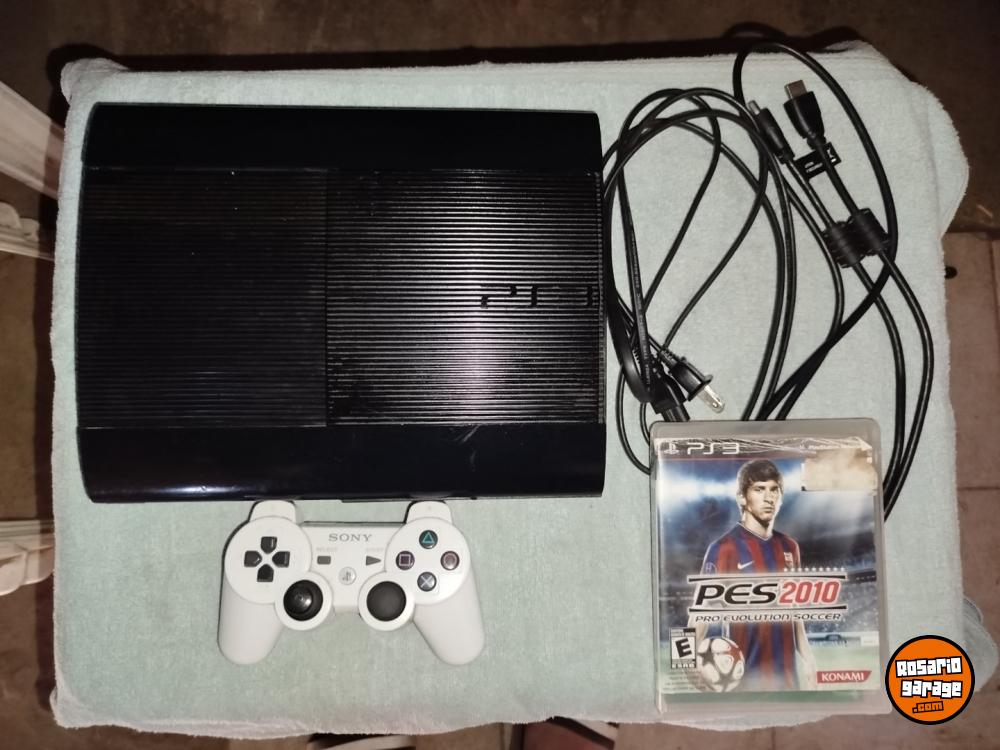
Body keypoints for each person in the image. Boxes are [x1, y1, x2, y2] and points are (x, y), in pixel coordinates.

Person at [698, 459, 817, 690]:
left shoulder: (790, 547)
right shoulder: (722, 549)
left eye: (774, 490)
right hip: (742, 683)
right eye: (759, 489)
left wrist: (809, 660)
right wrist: (684, 664)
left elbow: (795, 611)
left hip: (788, 681)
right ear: (742, 497)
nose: (768, 497)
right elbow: (699, 616)